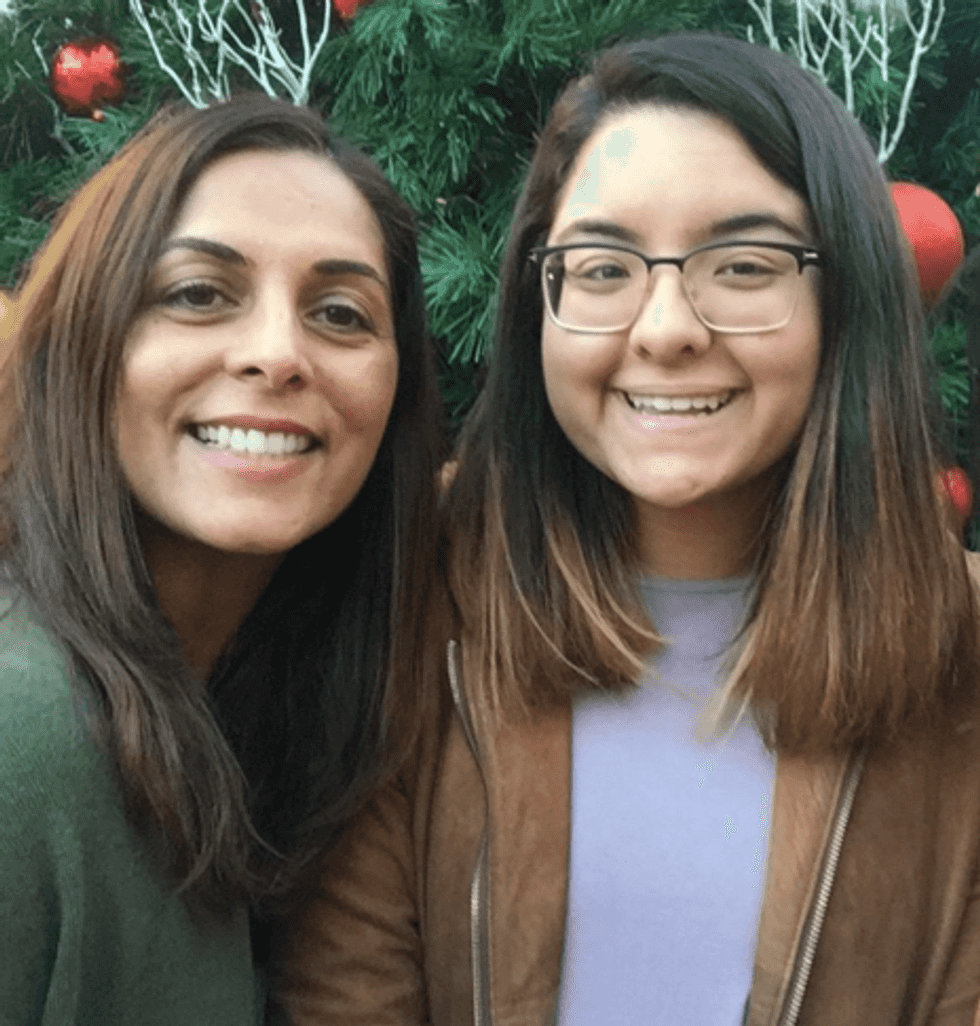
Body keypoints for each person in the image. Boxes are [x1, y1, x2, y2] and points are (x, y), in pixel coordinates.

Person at [268, 33, 980, 1026]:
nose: (665, 328)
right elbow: (343, 993)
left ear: (843, 301)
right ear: (540, 304)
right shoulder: (410, 586)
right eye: (603, 268)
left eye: (743, 264)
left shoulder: (960, 648)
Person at [0, 93, 441, 1024]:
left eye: (340, 313)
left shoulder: (282, 727)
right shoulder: (23, 733)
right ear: (84, 339)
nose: (277, 355)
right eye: (198, 294)